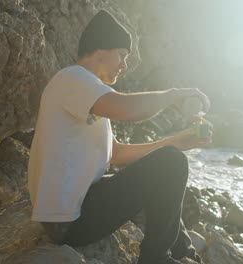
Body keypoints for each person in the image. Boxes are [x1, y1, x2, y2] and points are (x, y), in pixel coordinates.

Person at [28, 10, 211, 264]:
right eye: (122, 55)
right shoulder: (72, 78)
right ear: (101, 50)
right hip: (69, 220)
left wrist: (177, 142)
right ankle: (155, 258)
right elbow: (129, 110)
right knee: (171, 163)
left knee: (168, 163)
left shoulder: (89, 94)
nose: (125, 65)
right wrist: (176, 94)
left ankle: (184, 255)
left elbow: (116, 154)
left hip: (76, 211)